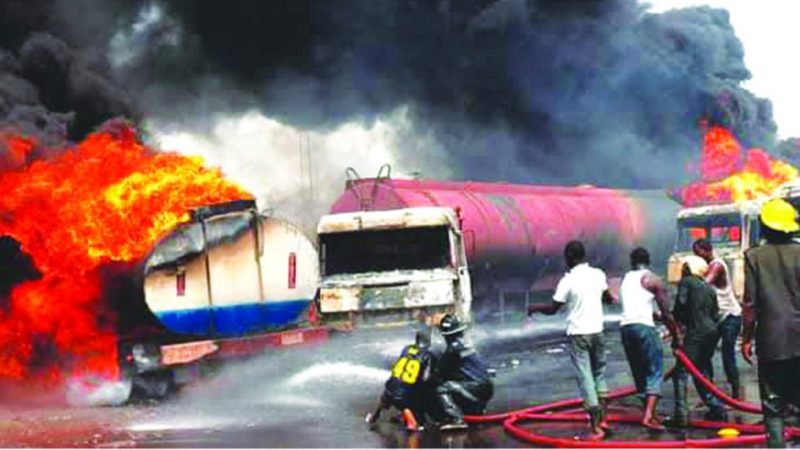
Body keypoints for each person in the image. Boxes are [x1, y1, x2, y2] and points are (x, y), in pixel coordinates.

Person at [527, 240, 615, 439]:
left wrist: (535, 308)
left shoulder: (567, 280)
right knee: (599, 372)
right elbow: (608, 298)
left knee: (585, 376)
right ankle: (604, 420)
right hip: (598, 331)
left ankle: (595, 428)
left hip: (578, 334)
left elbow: (553, 309)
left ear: (569, 257)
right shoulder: (598, 274)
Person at [742, 198, 800, 448]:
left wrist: (746, 338)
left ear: (764, 227)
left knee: (773, 407)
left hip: (772, 341)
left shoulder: (754, 256)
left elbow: (750, 304)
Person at [618, 247, 681, 431]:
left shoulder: (626, 280)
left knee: (639, 372)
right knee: (654, 371)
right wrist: (676, 335)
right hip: (644, 328)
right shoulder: (652, 279)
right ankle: (647, 417)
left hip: (626, 328)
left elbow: (640, 308)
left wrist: (657, 316)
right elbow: (667, 313)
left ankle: (650, 414)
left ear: (632, 262)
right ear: (648, 261)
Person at [672, 255, 728, 424]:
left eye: (684, 268)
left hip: (696, 332)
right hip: (712, 332)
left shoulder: (687, 282)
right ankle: (716, 407)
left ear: (689, 269)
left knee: (680, 372)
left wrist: (676, 324)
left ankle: (680, 414)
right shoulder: (708, 288)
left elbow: (681, 304)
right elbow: (714, 313)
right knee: (700, 371)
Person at [692, 238, 743, 399]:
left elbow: (704, 285)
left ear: (708, 251)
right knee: (705, 353)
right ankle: (710, 389)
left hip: (730, 316)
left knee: (727, 353)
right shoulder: (705, 267)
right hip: (715, 318)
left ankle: (735, 391)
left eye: (699, 254)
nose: (697, 258)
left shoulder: (717, 265)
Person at [432, 313, 494, 431]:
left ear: (446, 335)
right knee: (459, 383)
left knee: (443, 388)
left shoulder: (452, 350)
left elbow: (440, 372)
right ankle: (477, 411)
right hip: (487, 387)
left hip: (476, 389)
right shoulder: (467, 345)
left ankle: (457, 419)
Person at [366, 329, 435, 431]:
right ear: (429, 341)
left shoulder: (406, 349)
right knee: (417, 392)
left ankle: (374, 416)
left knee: (394, 386)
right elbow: (426, 378)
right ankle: (413, 422)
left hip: (389, 390)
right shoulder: (428, 355)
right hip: (405, 396)